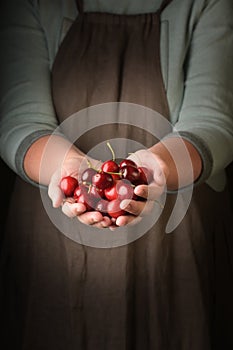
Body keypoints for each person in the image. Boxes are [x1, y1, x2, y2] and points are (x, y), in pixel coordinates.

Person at [0, 0, 233, 349]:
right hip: (53, 244)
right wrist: (65, 170)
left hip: (176, 245)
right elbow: (20, 119)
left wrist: (159, 168)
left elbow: (213, 122)